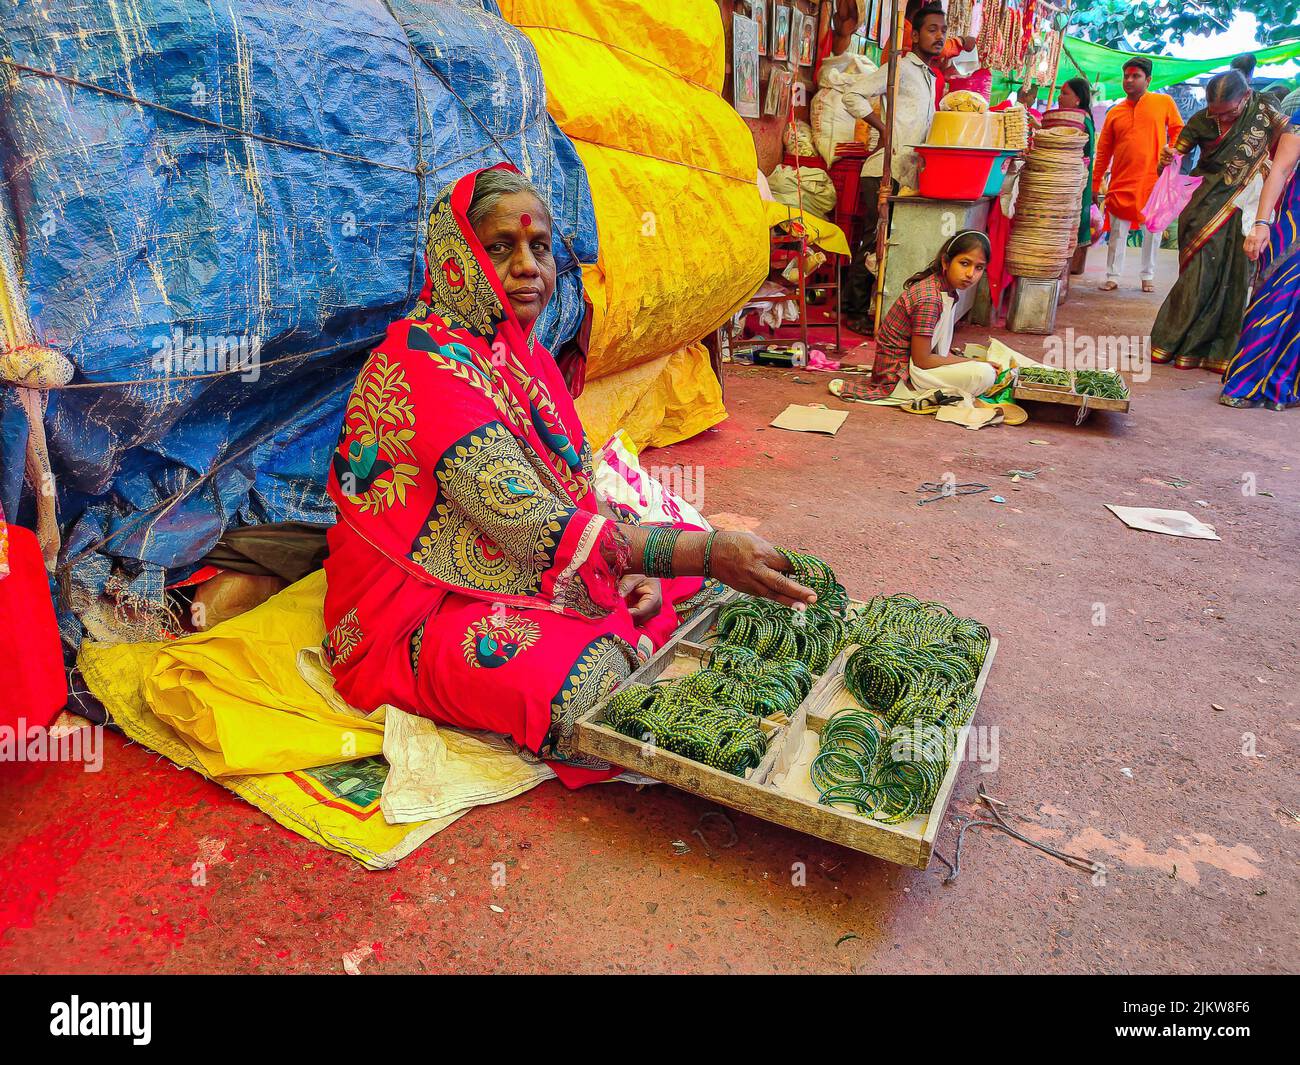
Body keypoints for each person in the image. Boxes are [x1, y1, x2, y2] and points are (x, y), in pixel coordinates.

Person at [322, 165, 817, 787]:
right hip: (414, 611)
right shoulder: (425, 369)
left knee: (664, 602)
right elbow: (532, 524)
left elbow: (576, 487)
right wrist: (706, 552)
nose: (529, 266)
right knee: (598, 690)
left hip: (509, 565)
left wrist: (643, 564)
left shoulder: (519, 358)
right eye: (501, 248)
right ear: (457, 258)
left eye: (541, 247)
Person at [1150, 72, 1290, 372]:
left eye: (1230, 112)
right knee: (1198, 276)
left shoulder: (1266, 113)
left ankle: (1218, 351)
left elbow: (1288, 150)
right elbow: (1179, 153)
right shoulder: (1201, 121)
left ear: (1247, 96)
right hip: (1206, 204)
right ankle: (1171, 343)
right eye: (1217, 112)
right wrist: (1169, 157)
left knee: (1237, 277)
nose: (1223, 118)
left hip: (1247, 208)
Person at [839, 3, 948, 330]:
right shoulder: (900, 67)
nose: (939, 36)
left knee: (892, 241)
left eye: (943, 31)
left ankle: (877, 306)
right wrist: (882, 128)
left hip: (909, 172)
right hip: (882, 171)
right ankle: (853, 310)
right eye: (932, 30)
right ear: (914, 35)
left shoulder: (931, 77)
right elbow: (852, 96)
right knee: (874, 240)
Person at [850, 231, 997, 400]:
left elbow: (936, 354)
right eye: (964, 263)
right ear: (946, 262)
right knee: (984, 374)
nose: (971, 274)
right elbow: (922, 360)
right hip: (899, 377)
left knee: (982, 369)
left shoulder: (945, 290)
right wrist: (975, 364)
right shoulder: (930, 298)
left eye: (979, 267)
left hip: (914, 368)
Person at [1221, 112, 1300, 409]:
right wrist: (1262, 223)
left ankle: (1283, 387)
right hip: (1296, 222)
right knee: (1274, 296)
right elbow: (1280, 168)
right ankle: (1244, 384)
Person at [1092, 56, 1184, 293]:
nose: (1129, 80)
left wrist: (1171, 153)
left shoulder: (1163, 102)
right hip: (1121, 180)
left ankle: (1148, 275)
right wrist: (1095, 183)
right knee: (1117, 232)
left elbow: (1179, 131)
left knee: (1152, 232)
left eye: (1136, 76)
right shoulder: (1115, 112)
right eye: (1126, 76)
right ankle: (1113, 275)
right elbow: (1103, 151)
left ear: (1148, 79)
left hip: (1153, 180)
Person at [1045, 77, 1097, 252]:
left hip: (1071, 182)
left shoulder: (1079, 122)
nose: (1060, 97)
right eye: (1060, 93)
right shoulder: (1083, 120)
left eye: (1065, 94)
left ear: (1078, 99)